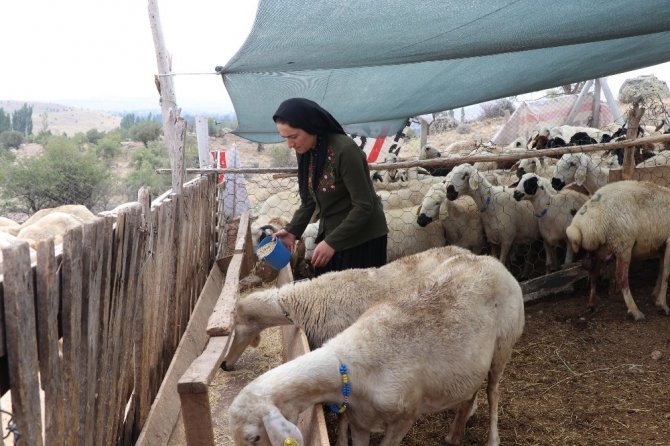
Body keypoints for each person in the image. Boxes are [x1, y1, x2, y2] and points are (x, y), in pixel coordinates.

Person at [272, 98, 389, 276]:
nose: (290, 144)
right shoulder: (307, 151)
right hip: (335, 232)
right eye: (285, 138)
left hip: (363, 238)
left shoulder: (344, 150)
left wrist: (332, 242)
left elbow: (364, 206)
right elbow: (310, 200)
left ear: (311, 126)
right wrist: (291, 231)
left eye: (293, 136)